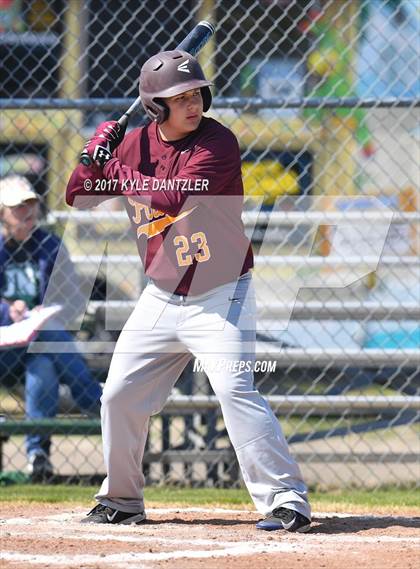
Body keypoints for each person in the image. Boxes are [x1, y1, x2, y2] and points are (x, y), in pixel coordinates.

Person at [66, 50, 311, 531]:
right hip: (160, 296)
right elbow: (77, 196)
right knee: (118, 395)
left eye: (197, 93)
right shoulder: (132, 145)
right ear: (155, 107)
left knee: (234, 387)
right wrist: (92, 156)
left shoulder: (218, 142)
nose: (193, 103)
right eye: (179, 98)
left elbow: (174, 194)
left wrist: (113, 169)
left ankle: (286, 500)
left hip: (221, 293)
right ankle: (121, 499)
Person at [0, 175, 102, 480]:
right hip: (5, 348)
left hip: (39, 345)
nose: (27, 211)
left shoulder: (50, 244)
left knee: (42, 367)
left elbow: (72, 299)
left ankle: (37, 456)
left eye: (31, 203)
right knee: (49, 337)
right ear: (2, 212)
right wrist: (7, 309)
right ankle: (95, 403)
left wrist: (49, 308)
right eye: (18, 207)